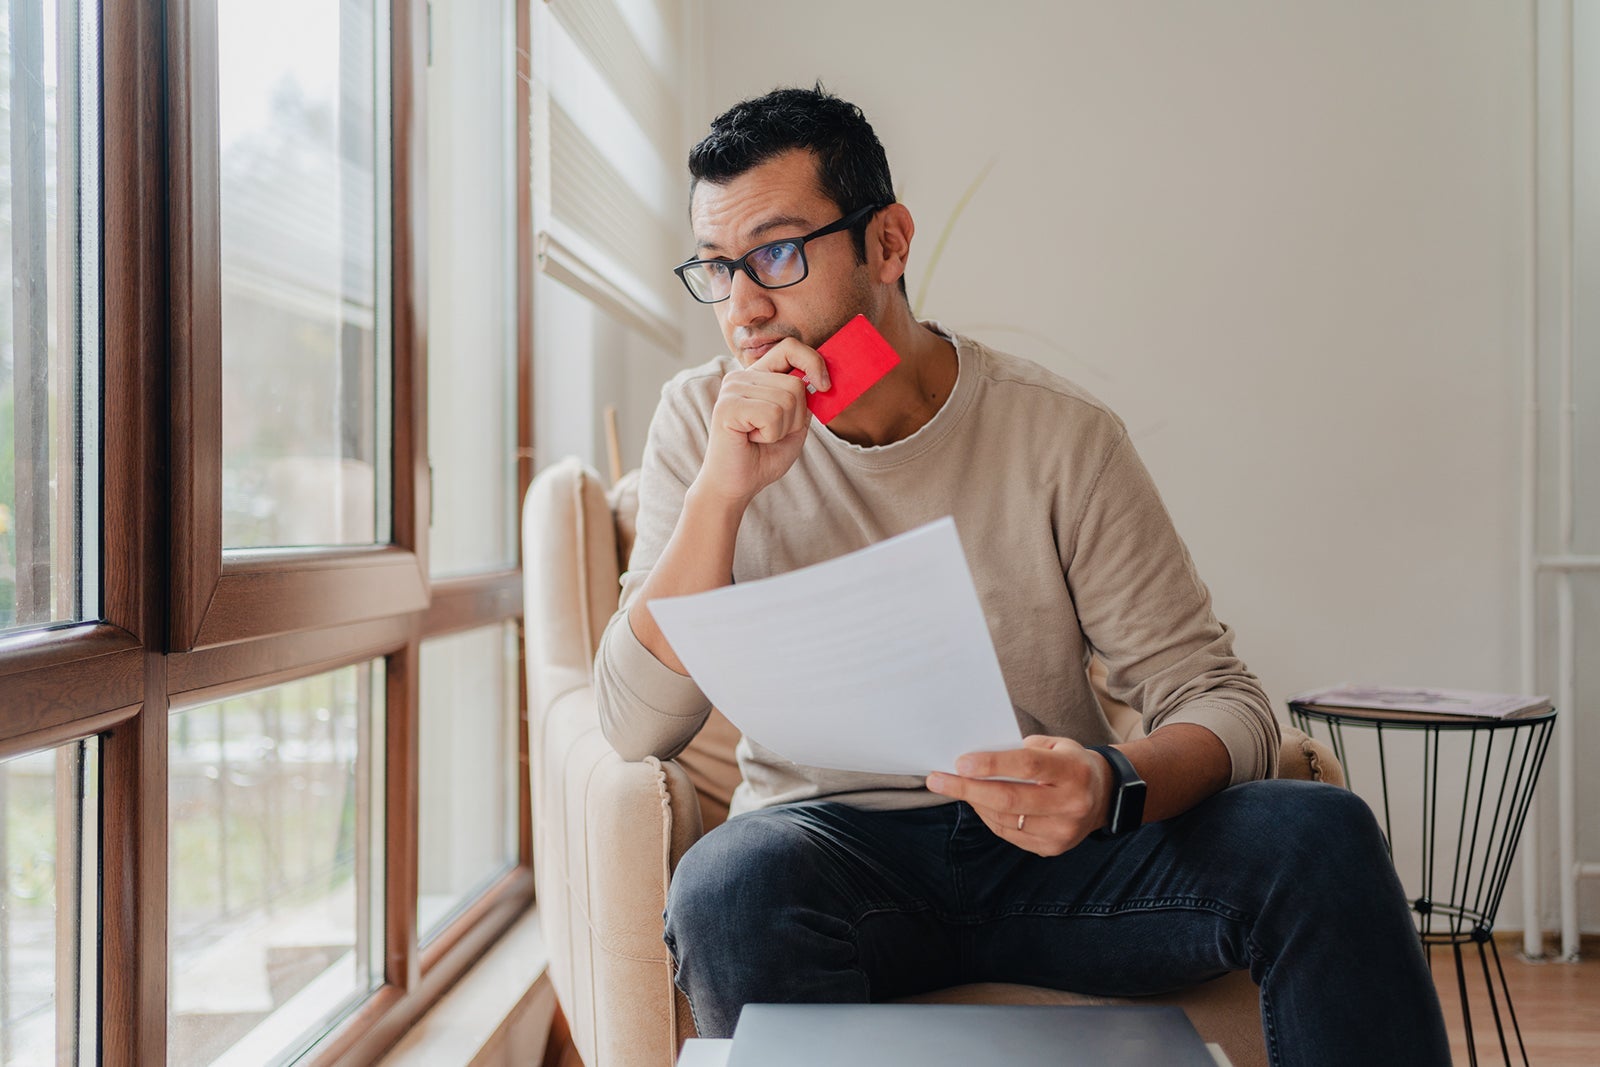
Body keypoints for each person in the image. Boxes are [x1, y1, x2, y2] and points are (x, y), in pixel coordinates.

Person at [593, 84, 1450, 1065]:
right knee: (724, 885)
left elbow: (1219, 699)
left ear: (887, 243)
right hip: (827, 857)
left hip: (1061, 855)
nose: (742, 309)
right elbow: (634, 724)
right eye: (716, 268)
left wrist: (1107, 783)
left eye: (777, 256)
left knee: (1320, 834)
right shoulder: (699, 425)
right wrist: (722, 492)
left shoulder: (1058, 436)